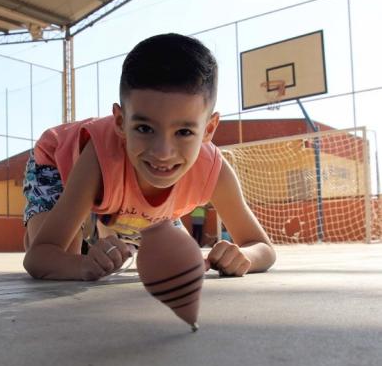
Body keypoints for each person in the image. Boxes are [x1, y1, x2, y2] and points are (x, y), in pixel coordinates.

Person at [23, 33, 276, 281]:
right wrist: (82, 265)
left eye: (184, 132)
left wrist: (244, 255)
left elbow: (262, 247)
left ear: (209, 129)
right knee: (64, 258)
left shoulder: (212, 170)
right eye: (145, 128)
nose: (163, 153)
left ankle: (107, 222)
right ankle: (71, 223)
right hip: (57, 162)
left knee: (180, 258)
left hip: (121, 191)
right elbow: (40, 257)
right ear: (120, 122)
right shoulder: (99, 157)